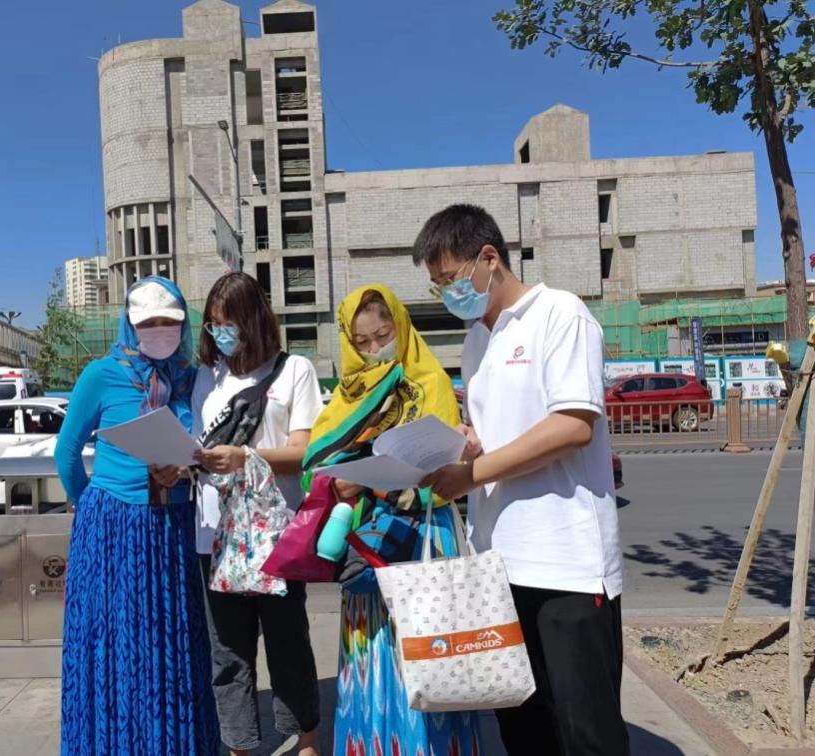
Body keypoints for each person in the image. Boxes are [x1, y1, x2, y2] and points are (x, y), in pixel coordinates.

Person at [417, 204, 629, 755]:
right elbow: (504, 432)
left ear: (489, 258)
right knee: (524, 732)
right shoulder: (476, 341)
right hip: (499, 565)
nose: (447, 294)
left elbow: (572, 426)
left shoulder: (561, 313)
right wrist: (468, 442)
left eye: (451, 279)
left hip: (567, 568)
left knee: (586, 735)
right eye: (438, 286)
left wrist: (471, 474)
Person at [303, 284, 485, 756]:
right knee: (374, 656)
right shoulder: (346, 396)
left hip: (425, 538)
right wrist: (341, 481)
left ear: (400, 327)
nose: (374, 349)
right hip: (369, 545)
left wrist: (379, 484)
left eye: (382, 336)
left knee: (432, 655)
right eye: (361, 342)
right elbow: (315, 466)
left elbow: (446, 469)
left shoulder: (430, 382)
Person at [54, 277, 219, 756]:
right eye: (149, 322)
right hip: (113, 527)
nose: (160, 330)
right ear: (130, 324)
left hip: (174, 527)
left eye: (169, 321)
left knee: (172, 639)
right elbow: (67, 453)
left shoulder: (194, 379)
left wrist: (187, 469)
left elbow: (207, 448)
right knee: (114, 638)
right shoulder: (101, 375)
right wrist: (92, 506)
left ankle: (174, 742)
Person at [191, 271, 322, 756]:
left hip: (274, 533)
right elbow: (197, 446)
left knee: (288, 642)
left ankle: (305, 739)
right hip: (215, 532)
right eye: (213, 324)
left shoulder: (294, 370)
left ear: (254, 320)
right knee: (228, 651)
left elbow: (304, 452)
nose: (221, 333)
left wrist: (246, 457)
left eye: (230, 323)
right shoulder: (207, 377)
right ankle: (240, 746)